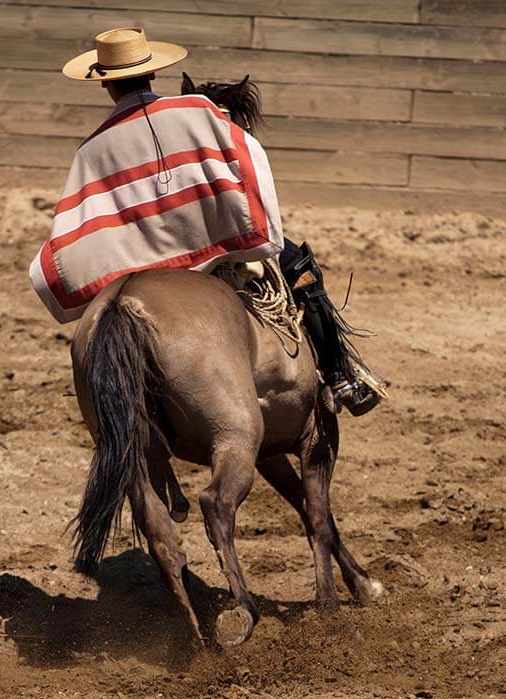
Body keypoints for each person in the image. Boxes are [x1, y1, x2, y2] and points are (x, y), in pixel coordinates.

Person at [30, 27, 382, 415]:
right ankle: (341, 375)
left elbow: (81, 220)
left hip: (136, 266)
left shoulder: (92, 149)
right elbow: (248, 161)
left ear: (105, 85)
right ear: (151, 72)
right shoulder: (196, 112)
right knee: (300, 268)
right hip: (212, 250)